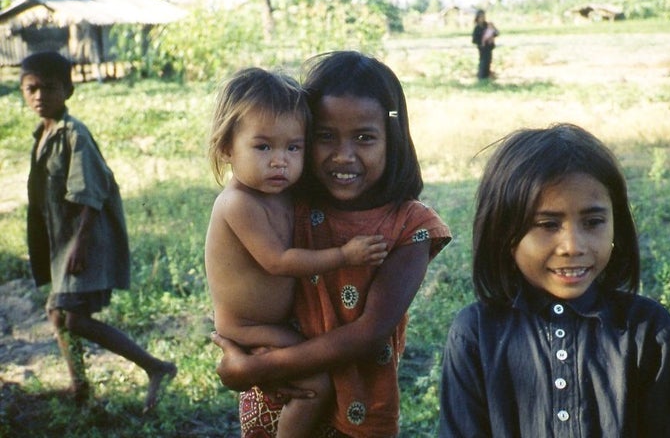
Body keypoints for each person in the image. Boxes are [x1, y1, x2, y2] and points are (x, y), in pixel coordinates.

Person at [211, 51, 452, 437]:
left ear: (393, 137)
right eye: (324, 136)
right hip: (284, 396)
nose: (344, 155)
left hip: (355, 407)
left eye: (365, 137)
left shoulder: (412, 229)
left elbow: (369, 332)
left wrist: (254, 368)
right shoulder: (293, 204)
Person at [439, 123, 670, 437]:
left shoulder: (649, 331)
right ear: (504, 232)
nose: (573, 246)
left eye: (593, 222)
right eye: (547, 224)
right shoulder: (475, 334)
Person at [204, 67, 389, 438]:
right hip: (249, 327)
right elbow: (278, 261)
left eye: (293, 147)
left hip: (275, 324)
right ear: (227, 148)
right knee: (317, 383)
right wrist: (344, 255)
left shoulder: (282, 194)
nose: (280, 160)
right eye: (263, 147)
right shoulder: (239, 203)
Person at [21, 51, 176, 412]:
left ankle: (156, 367)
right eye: (32, 88)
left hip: (84, 239)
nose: (40, 95)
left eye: (49, 87)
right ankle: (80, 388)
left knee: (71, 316)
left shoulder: (75, 135)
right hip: (63, 242)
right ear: (23, 92)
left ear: (68, 90)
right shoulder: (42, 135)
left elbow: (91, 193)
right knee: (58, 314)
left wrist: (79, 244)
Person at [472, 9, 498, 80]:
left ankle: (487, 76)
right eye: (480, 17)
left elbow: (495, 33)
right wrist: (481, 42)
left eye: (483, 16)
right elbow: (474, 40)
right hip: (482, 48)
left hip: (489, 47)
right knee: (483, 62)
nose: (482, 18)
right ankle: (481, 77)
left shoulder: (487, 25)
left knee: (488, 61)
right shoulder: (477, 28)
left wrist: (493, 32)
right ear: (477, 18)